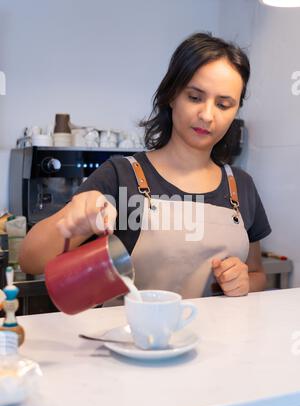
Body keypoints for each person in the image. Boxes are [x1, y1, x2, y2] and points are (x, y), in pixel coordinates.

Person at [19, 32, 271, 299]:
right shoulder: (121, 176)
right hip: (130, 339)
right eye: (195, 97)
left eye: (223, 104)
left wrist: (245, 281)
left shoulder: (240, 185)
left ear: (235, 111)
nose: (207, 115)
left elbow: (257, 273)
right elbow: (30, 260)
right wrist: (78, 223)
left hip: (215, 339)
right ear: (172, 95)